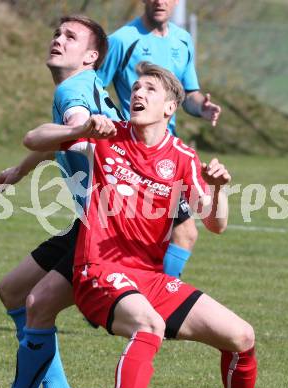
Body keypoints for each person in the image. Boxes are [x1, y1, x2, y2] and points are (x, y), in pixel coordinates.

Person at [24, 62, 257, 388]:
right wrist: (79, 130)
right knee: (150, 326)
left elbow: (215, 224)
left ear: (169, 108)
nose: (138, 93)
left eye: (150, 89)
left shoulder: (182, 157)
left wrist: (219, 188)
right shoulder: (107, 136)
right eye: (135, 88)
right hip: (98, 270)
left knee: (242, 338)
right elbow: (33, 139)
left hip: (148, 278)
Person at [0, 15, 120, 388]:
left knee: (37, 303)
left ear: (91, 56)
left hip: (111, 225)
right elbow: (64, 140)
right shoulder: (87, 84)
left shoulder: (73, 93)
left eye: (71, 37)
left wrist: (82, 134)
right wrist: (20, 170)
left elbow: (77, 126)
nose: (58, 40)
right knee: (14, 291)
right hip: (97, 219)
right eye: (57, 34)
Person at [97, 0, 222, 278]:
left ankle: (157, 294)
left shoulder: (183, 40)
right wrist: (111, 124)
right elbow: (95, 88)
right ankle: (148, 295)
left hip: (167, 150)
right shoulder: (121, 40)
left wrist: (202, 107)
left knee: (185, 233)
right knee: (116, 235)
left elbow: (188, 94)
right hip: (130, 151)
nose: (159, 1)